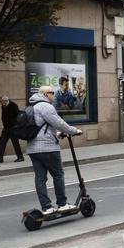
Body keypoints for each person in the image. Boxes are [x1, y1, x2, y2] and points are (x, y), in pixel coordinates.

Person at [27, 85, 83, 214]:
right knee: (58, 175)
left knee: (40, 179)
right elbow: (59, 123)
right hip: (47, 148)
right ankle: (62, 204)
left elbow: (41, 127)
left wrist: (56, 134)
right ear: (45, 94)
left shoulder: (32, 107)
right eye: (52, 92)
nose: (54, 94)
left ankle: (47, 208)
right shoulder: (46, 106)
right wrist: (74, 131)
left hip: (33, 149)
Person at [0, 95, 24, 164]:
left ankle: (20, 157)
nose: (0, 104)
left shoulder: (13, 105)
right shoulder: (3, 106)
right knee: (1, 142)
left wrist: (15, 125)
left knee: (15, 143)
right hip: (6, 128)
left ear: (5, 101)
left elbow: (17, 116)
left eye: (1, 102)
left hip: (13, 128)